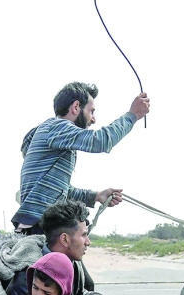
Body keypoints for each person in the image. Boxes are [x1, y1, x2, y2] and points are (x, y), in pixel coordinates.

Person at [11, 82, 150, 234]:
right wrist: (133, 115)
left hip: (36, 222)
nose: (94, 119)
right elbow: (100, 141)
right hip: (40, 224)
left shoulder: (54, 135)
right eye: (91, 111)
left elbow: (63, 191)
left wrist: (96, 196)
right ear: (76, 107)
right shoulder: (57, 127)